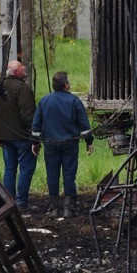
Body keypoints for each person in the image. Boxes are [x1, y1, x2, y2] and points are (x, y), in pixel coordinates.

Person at [31, 70, 94, 217]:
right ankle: (69, 209)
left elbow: (36, 126)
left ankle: (53, 208)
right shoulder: (74, 101)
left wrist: (35, 143)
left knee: (52, 175)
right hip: (70, 145)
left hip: (50, 145)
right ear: (66, 85)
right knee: (69, 175)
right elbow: (84, 125)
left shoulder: (44, 101)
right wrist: (89, 142)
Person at [0, 59, 37, 212]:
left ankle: (8, 202)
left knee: (9, 169)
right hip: (22, 137)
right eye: (21, 66)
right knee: (26, 168)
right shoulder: (22, 88)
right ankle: (21, 202)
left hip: (5, 137)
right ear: (17, 72)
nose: (24, 67)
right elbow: (28, 115)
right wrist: (35, 136)